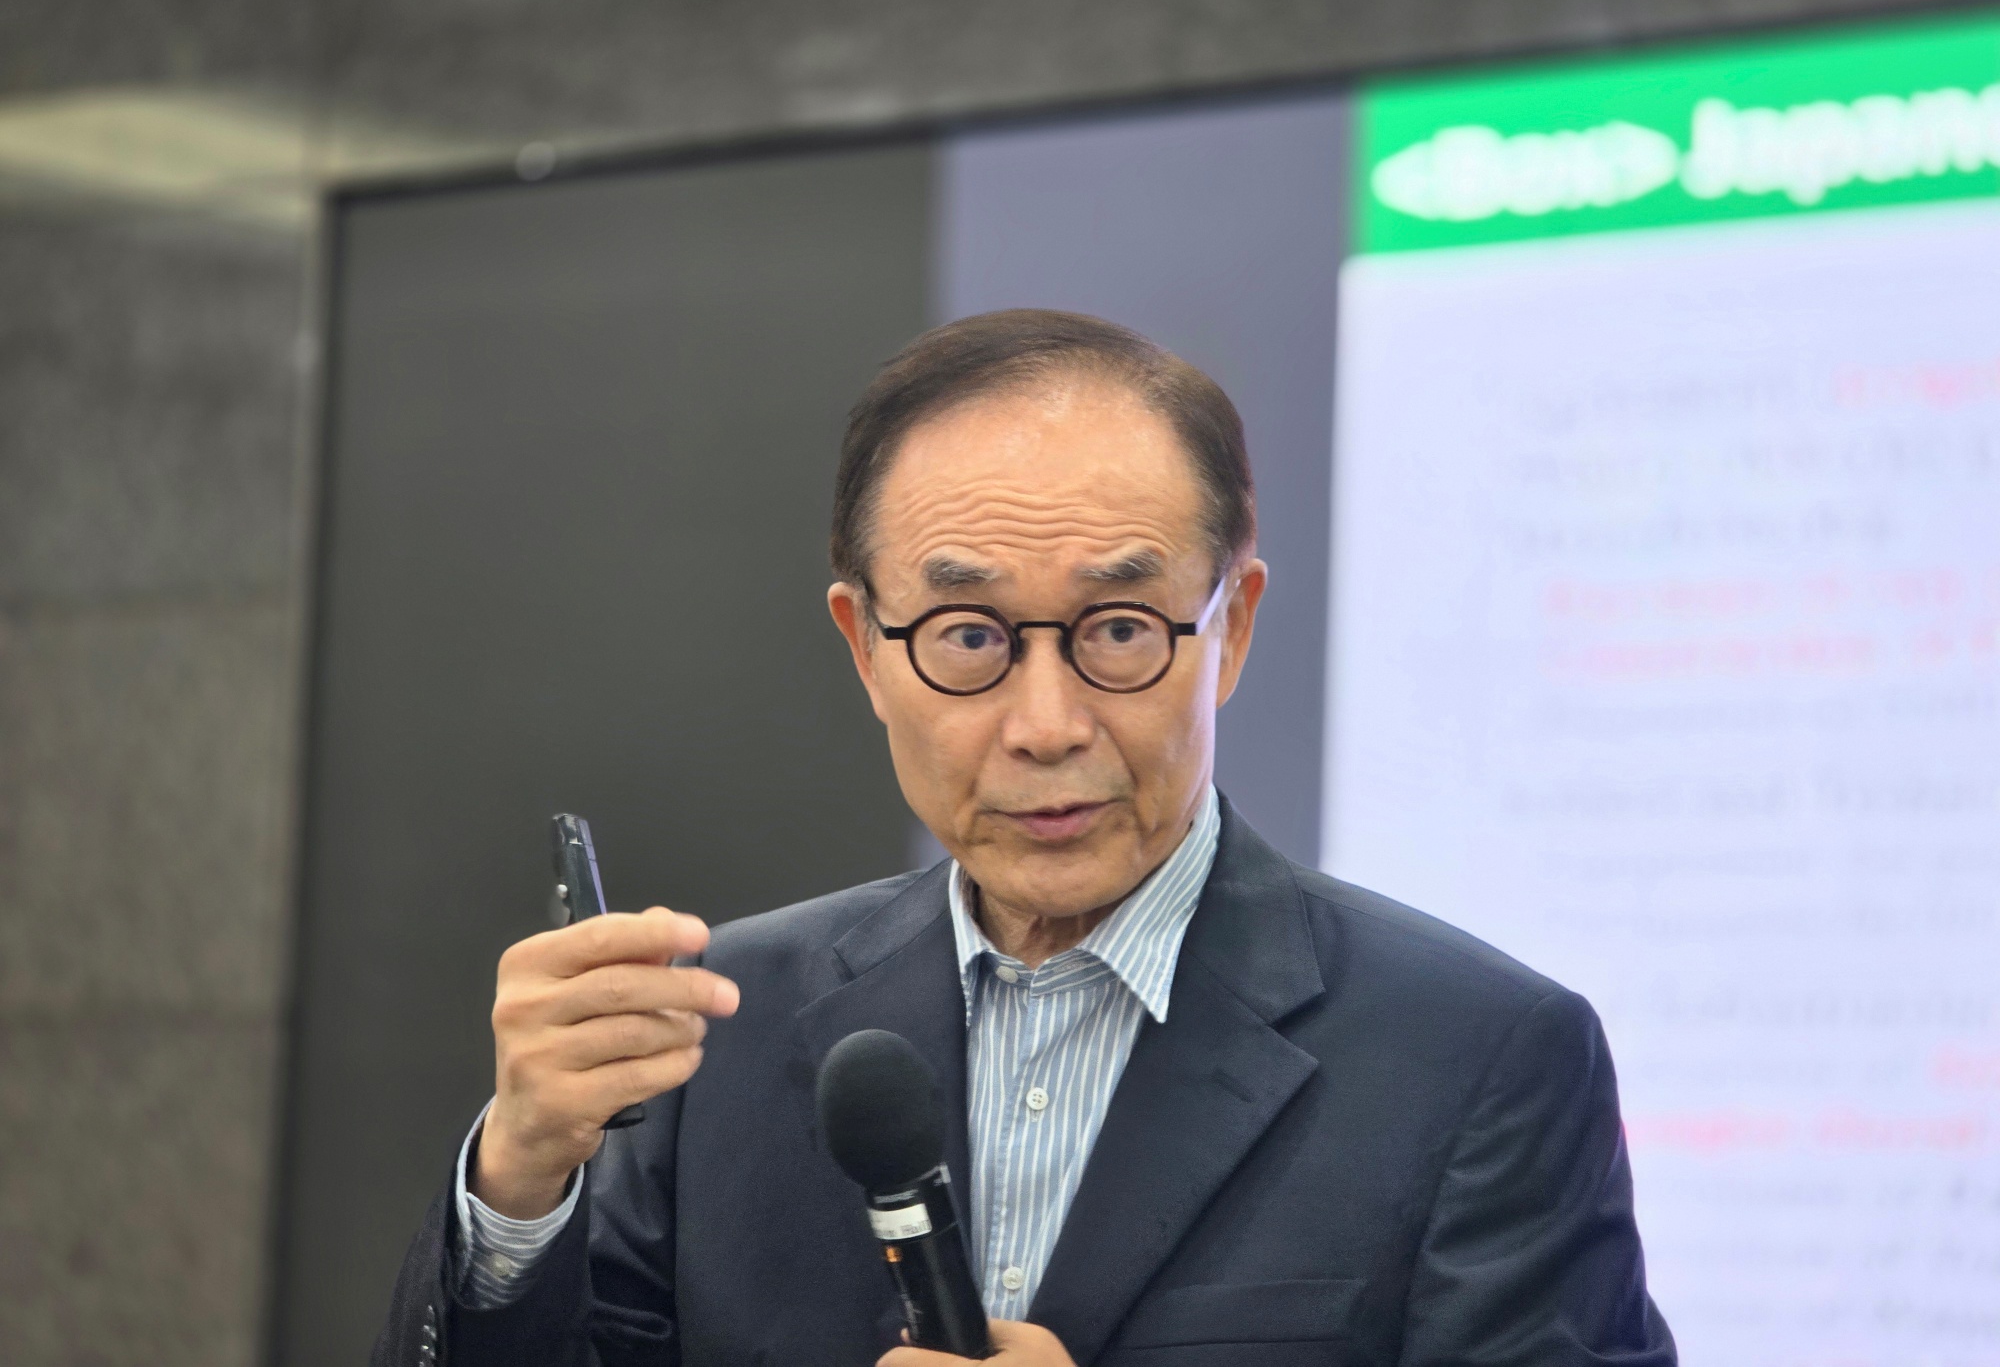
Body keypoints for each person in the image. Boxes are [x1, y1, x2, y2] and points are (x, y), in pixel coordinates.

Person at [374, 309, 1676, 1367]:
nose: (1046, 726)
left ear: (1230, 628)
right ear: (864, 649)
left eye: (1120, 630)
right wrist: (520, 1183)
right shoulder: (714, 1030)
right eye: (968, 638)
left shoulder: (1479, 1057)